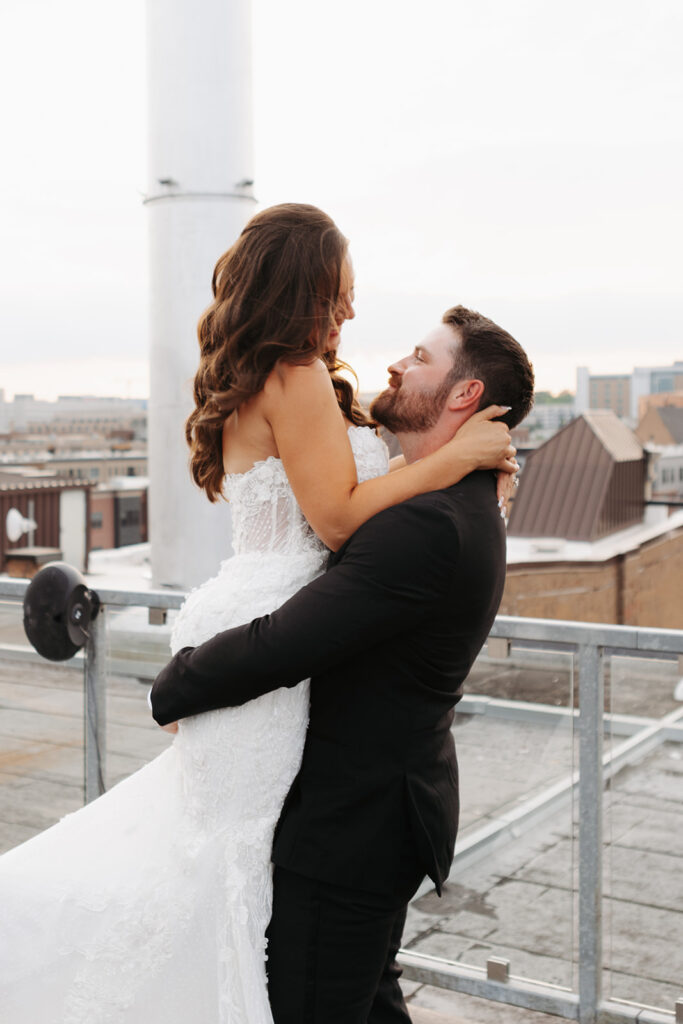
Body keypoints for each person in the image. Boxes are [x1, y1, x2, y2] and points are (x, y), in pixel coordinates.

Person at [0, 204, 516, 1024]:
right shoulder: (300, 378)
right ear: (303, 287)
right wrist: (455, 459)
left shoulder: (272, 380)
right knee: (235, 864)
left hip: (250, 613)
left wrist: (466, 474)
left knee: (227, 862)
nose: (350, 311)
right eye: (340, 292)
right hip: (266, 629)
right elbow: (341, 520)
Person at [151, 302, 535, 1024]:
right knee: (368, 1005)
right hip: (375, 816)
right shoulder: (451, 502)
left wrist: (175, 683)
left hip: (351, 829)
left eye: (421, 357)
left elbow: (290, 641)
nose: (394, 362)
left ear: (464, 395)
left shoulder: (427, 525)